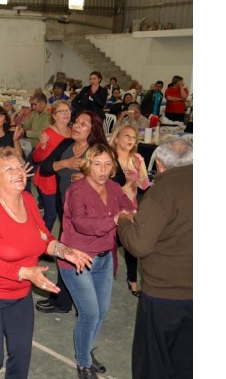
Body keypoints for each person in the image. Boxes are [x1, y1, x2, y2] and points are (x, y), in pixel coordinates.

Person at [0, 147, 92, 379]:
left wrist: (64, 251)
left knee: (21, 358)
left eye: (20, 166)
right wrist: (23, 272)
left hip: (18, 294)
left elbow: (44, 238)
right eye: (9, 168)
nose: (18, 172)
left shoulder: (29, 201)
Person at [117, 137, 192, 379]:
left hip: (164, 295)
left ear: (159, 164)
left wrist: (124, 222)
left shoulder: (162, 192)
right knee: (187, 361)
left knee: (153, 362)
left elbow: (139, 244)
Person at [36, 111, 125, 314]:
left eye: (82, 123)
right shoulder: (66, 145)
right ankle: (67, 301)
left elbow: (119, 178)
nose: (76, 125)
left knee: (82, 256)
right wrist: (65, 163)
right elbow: (46, 168)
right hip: (66, 211)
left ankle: (76, 302)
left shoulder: (98, 151)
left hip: (91, 215)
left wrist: (89, 177)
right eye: (76, 122)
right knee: (67, 254)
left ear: (92, 129)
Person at [59, 144, 135, 379]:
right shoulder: (78, 190)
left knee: (101, 312)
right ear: (88, 164)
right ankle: (83, 363)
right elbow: (82, 223)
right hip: (78, 259)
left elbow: (127, 206)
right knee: (89, 313)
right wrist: (114, 218)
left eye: (107, 164)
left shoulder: (113, 187)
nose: (103, 170)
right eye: (97, 164)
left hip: (104, 259)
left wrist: (129, 211)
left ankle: (86, 352)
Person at [108, 124, 150, 297]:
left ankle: (132, 280)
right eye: (126, 136)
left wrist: (140, 168)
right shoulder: (107, 157)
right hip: (109, 208)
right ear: (116, 138)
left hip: (130, 208)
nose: (130, 140)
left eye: (133, 137)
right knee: (107, 246)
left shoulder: (137, 158)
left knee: (131, 247)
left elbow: (144, 185)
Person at [32, 100, 72, 231]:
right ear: (54, 116)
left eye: (68, 111)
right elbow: (36, 158)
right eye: (62, 111)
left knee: (64, 213)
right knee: (51, 215)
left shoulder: (72, 132)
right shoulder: (48, 133)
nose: (66, 114)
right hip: (49, 179)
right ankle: (41, 244)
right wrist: (42, 146)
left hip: (65, 179)